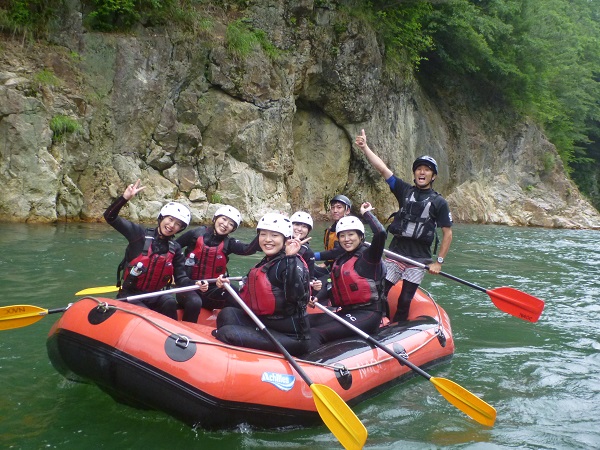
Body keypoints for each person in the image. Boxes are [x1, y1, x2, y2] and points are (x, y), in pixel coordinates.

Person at [355, 129, 453, 322]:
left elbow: (447, 234)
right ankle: (378, 321)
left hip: (418, 259)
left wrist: (438, 263)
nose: (422, 172)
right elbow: (383, 169)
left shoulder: (439, 202)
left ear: (433, 176)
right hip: (395, 254)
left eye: (427, 169)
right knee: (380, 291)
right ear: (415, 173)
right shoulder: (404, 190)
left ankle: (398, 326)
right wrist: (365, 147)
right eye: (419, 169)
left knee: (405, 299)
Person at [104, 179, 206, 322]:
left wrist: (195, 284)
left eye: (178, 224)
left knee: (169, 301)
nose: (172, 226)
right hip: (131, 295)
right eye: (170, 220)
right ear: (162, 218)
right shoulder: (138, 235)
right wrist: (124, 198)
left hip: (155, 295)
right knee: (146, 316)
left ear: (181, 229)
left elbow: (181, 278)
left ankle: (174, 337)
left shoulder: (175, 248)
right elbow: (110, 217)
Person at [213, 213, 311, 356]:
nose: (267, 240)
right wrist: (227, 283)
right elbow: (251, 286)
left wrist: (290, 258)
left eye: (274, 236)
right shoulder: (268, 260)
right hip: (265, 323)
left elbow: (296, 297)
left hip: (291, 337)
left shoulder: (292, 262)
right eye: (263, 234)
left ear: (285, 239)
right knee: (227, 313)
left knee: (226, 333)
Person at [308, 202, 387, 349]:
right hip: (346, 311)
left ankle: (311, 367)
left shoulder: (369, 257)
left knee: (315, 333)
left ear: (360, 236)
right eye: (342, 236)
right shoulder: (342, 258)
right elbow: (331, 281)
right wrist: (318, 296)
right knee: (304, 322)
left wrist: (366, 214)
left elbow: (381, 233)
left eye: (351, 234)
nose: (346, 239)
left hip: (368, 314)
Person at [176, 205, 260, 310]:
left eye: (230, 224)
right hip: (189, 286)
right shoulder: (195, 234)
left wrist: (265, 232)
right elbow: (173, 247)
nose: (225, 225)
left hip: (212, 290)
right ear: (215, 218)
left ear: (233, 229)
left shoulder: (229, 243)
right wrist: (176, 273)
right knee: (194, 302)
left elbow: (248, 249)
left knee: (238, 296)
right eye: (224, 219)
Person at [313, 194, 352, 278]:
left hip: (346, 272)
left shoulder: (352, 230)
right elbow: (331, 249)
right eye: (333, 207)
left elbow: (338, 251)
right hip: (333, 269)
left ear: (347, 210)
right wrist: (326, 263)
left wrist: (313, 256)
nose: (335, 210)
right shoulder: (331, 229)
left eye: (339, 207)